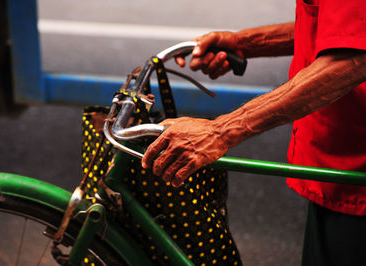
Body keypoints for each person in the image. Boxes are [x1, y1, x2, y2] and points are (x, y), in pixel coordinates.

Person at [142, 0, 366, 265]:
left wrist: (221, 131)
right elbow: (340, 29)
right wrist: (245, 43)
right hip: (339, 172)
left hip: (357, 179)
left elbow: (351, 60)